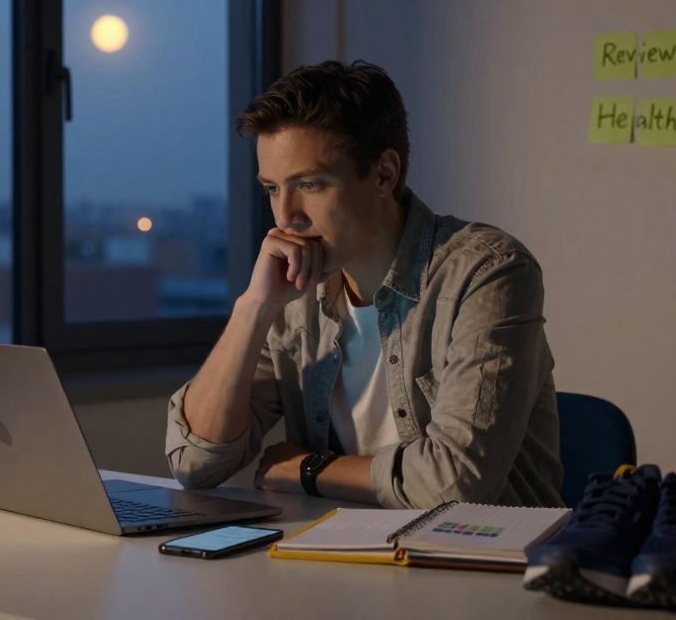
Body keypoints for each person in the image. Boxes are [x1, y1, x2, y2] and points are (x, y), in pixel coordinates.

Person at [164, 60, 563, 509]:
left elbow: (455, 485)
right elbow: (196, 464)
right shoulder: (295, 291)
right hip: (343, 560)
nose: (285, 217)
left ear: (384, 174)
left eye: (310, 184)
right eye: (272, 189)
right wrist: (253, 308)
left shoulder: (488, 271)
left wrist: (309, 470)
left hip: (478, 563)